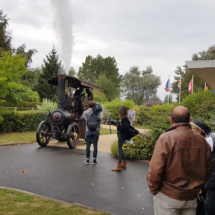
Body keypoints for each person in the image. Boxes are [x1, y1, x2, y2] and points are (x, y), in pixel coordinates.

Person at [147, 106, 212, 215]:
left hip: (167, 196)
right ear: (190, 120)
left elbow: (155, 169)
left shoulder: (165, 138)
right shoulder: (202, 141)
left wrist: (154, 189)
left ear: (170, 120)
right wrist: (197, 186)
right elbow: (209, 170)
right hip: (191, 197)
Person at [191, 119, 215, 215]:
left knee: (209, 206)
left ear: (199, 131)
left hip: (211, 182)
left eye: (192, 129)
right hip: (208, 181)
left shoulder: (209, 140)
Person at [112, 105, 130, 171]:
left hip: (122, 135)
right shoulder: (125, 118)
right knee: (120, 149)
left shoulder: (124, 118)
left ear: (121, 111)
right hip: (123, 134)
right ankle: (124, 163)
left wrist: (119, 127)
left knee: (119, 149)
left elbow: (126, 127)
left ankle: (119, 165)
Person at [83, 100, 101, 165]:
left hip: (88, 130)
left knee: (88, 145)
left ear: (88, 105)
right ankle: (94, 160)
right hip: (96, 130)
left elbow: (85, 120)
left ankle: (87, 160)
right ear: (94, 106)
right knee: (95, 145)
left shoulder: (85, 112)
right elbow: (100, 119)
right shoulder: (97, 112)